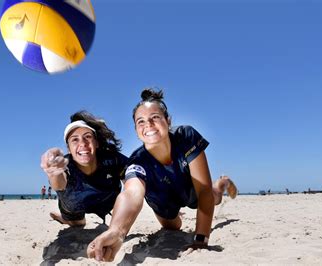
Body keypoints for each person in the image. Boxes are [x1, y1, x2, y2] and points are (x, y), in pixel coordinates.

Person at [87, 88, 237, 262]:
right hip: (163, 199)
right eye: (140, 121)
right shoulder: (137, 161)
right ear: (136, 130)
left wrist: (201, 239)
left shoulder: (185, 136)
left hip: (191, 187)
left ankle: (221, 183)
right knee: (173, 227)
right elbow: (131, 194)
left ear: (168, 120)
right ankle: (177, 214)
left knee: (212, 196)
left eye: (155, 117)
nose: (148, 125)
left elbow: (203, 192)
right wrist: (116, 231)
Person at [40, 111, 128, 227]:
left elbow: (134, 185)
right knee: (78, 224)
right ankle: (66, 219)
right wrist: (53, 172)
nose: (82, 143)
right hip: (75, 205)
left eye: (87, 136)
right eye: (75, 140)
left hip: (107, 201)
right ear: (69, 148)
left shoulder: (112, 159)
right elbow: (59, 185)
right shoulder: (66, 164)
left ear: (96, 143)